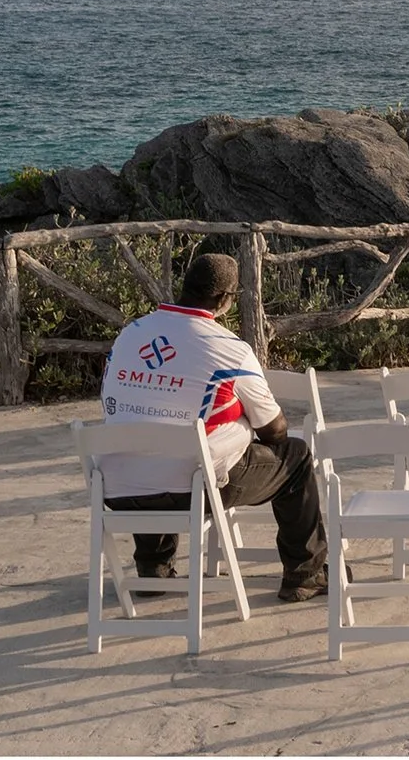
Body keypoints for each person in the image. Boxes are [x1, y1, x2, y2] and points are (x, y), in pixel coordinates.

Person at [99, 252, 329, 600]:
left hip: (117, 488)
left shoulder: (131, 334)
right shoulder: (227, 349)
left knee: (150, 435)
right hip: (190, 492)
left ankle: (153, 568)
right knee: (295, 457)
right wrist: (240, 422)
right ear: (225, 300)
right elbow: (274, 430)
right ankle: (305, 573)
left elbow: (112, 403)